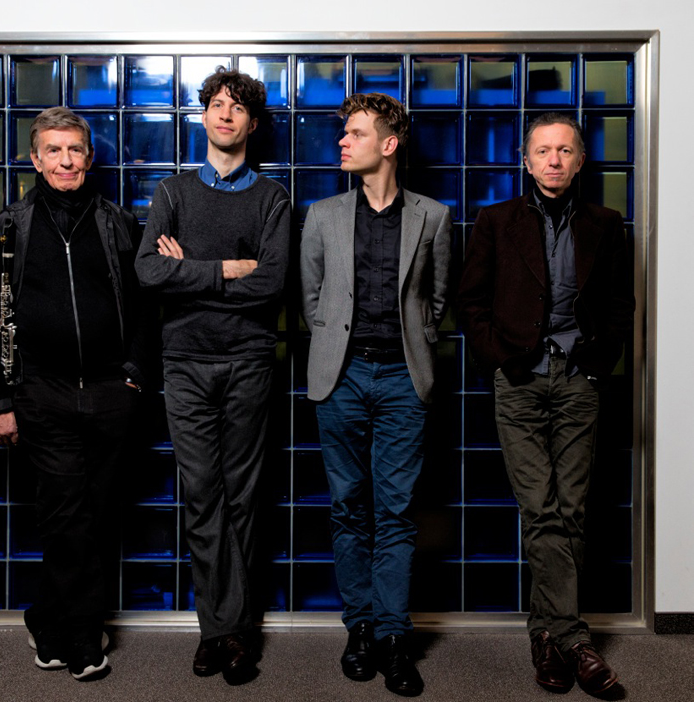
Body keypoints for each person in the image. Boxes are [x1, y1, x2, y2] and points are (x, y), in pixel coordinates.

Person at [0, 107, 154, 680]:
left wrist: (134, 375)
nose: (66, 160)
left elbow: (145, 309)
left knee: (93, 516)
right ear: (36, 159)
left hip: (110, 392)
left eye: (74, 149)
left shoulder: (119, 223)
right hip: (41, 393)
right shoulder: (10, 226)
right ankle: (82, 638)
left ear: (89, 157)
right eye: (53, 150)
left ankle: (45, 618)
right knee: (66, 516)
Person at [457, 113, 634, 696]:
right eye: (543, 150)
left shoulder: (606, 224)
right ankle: (576, 641)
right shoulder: (496, 221)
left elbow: (620, 305)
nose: (553, 160)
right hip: (520, 378)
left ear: (580, 161)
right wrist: (498, 359)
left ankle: (546, 636)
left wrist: (599, 361)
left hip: (580, 378)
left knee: (571, 508)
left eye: (564, 150)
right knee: (540, 507)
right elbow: (471, 301)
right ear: (526, 160)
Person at [135, 67, 290, 685]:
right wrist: (228, 268)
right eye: (217, 105)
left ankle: (235, 632)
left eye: (237, 108)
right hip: (186, 363)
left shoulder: (272, 198)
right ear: (203, 116)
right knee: (202, 495)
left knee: (243, 496)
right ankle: (219, 630)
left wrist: (191, 274)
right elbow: (149, 272)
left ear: (252, 124)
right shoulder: (172, 193)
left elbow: (272, 284)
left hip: (249, 360)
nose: (225, 115)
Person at [300, 92, 452, 697]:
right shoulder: (322, 215)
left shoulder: (433, 216)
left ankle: (393, 636)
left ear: (389, 145)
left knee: (396, 511)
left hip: (402, 380)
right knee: (348, 507)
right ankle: (359, 628)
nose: (343, 141)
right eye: (345, 133)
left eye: (356, 133)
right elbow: (311, 299)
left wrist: (412, 343)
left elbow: (437, 301)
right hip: (339, 378)